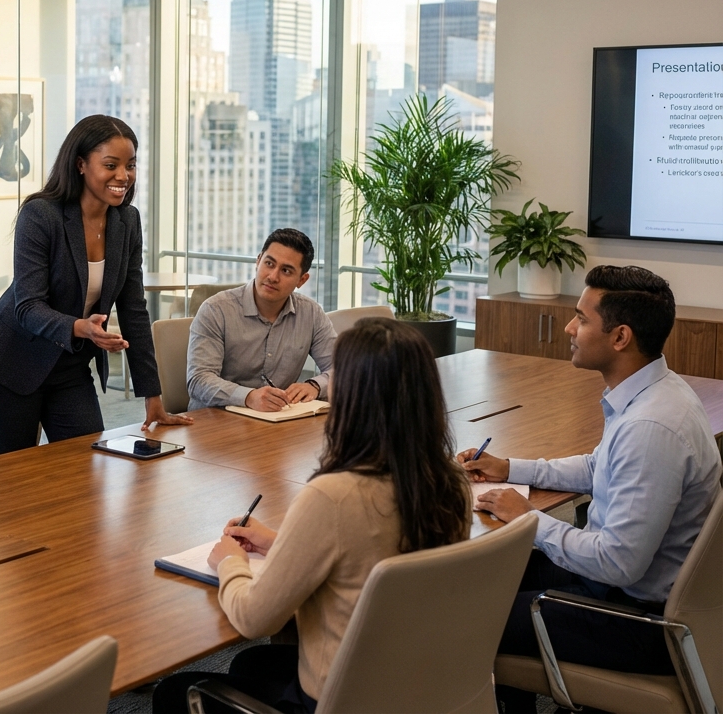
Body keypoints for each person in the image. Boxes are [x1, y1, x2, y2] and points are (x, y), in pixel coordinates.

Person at [152, 318, 471, 714]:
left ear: (353, 398)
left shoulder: (333, 496)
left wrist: (232, 564)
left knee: (173, 691)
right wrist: (281, 541)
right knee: (252, 664)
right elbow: (369, 548)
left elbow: (254, 620)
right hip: (413, 680)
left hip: (342, 695)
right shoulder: (451, 481)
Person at [461, 265, 721, 712]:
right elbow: (598, 467)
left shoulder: (651, 427)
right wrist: (508, 466)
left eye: (581, 318)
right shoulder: (655, 391)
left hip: (638, 618)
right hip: (633, 592)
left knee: (469, 619)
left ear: (620, 337)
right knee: (487, 575)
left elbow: (618, 563)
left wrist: (529, 520)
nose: (569, 327)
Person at [0, 115, 192, 455]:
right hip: (13, 363)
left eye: (130, 165)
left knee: (86, 468)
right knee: (12, 478)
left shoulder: (127, 221)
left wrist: (153, 395)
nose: (123, 176)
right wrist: (81, 327)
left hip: (70, 367)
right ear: (81, 165)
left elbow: (133, 309)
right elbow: (28, 306)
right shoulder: (41, 215)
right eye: (110, 165)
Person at [186, 229, 337, 413]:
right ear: (258, 261)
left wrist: (315, 385)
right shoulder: (216, 309)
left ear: (302, 280)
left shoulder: (310, 313)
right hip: (214, 421)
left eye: (286, 270)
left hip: (276, 423)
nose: (273, 276)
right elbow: (198, 379)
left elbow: (343, 368)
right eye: (269, 263)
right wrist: (248, 397)